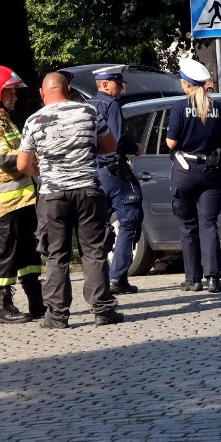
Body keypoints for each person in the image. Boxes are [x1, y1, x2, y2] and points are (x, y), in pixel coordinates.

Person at [17, 72, 124, 328]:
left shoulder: (34, 120)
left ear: (43, 93)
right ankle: (102, 311)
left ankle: (57, 315)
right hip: (88, 190)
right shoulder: (88, 112)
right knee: (94, 251)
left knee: (56, 254)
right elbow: (110, 146)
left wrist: (41, 173)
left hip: (53, 195)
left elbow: (23, 164)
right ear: (69, 89)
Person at [166, 58, 221, 293]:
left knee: (188, 226)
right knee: (209, 225)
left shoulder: (179, 108)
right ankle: (214, 278)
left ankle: (194, 279)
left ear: (186, 84)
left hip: (185, 171)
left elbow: (171, 142)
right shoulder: (217, 107)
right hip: (211, 172)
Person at [87, 65, 144, 295]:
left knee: (97, 226)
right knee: (130, 219)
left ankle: (97, 278)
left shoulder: (86, 106)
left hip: (92, 173)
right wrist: (135, 148)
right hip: (112, 172)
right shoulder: (110, 106)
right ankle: (117, 277)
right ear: (104, 85)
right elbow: (117, 140)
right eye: (117, 83)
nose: (121, 88)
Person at [0, 66, 44, 323]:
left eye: (14, 92)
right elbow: (5, 158)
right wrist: (35, 157)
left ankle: (36, 301)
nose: (14, 97)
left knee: (29, 252)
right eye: (9, 92)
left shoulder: (6, 120)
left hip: (23, 199)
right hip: (4, 205)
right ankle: (2, 304)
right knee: (6, 254)